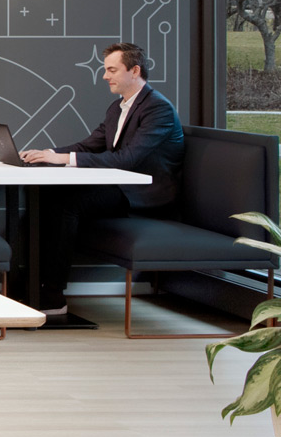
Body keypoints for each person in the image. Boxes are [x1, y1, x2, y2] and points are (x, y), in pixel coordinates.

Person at [18, 41, 184, 323]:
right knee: (46, 196)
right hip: (118, 187)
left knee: (66, 203)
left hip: (141, 194)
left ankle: (53, 296)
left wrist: (63, 160)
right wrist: (47, 154)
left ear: (135, 70)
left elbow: (126, 160)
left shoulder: (158, 110)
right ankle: (32, 286)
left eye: (111, 70)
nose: (105, 76)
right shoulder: (117, 108)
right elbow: (90, 145)